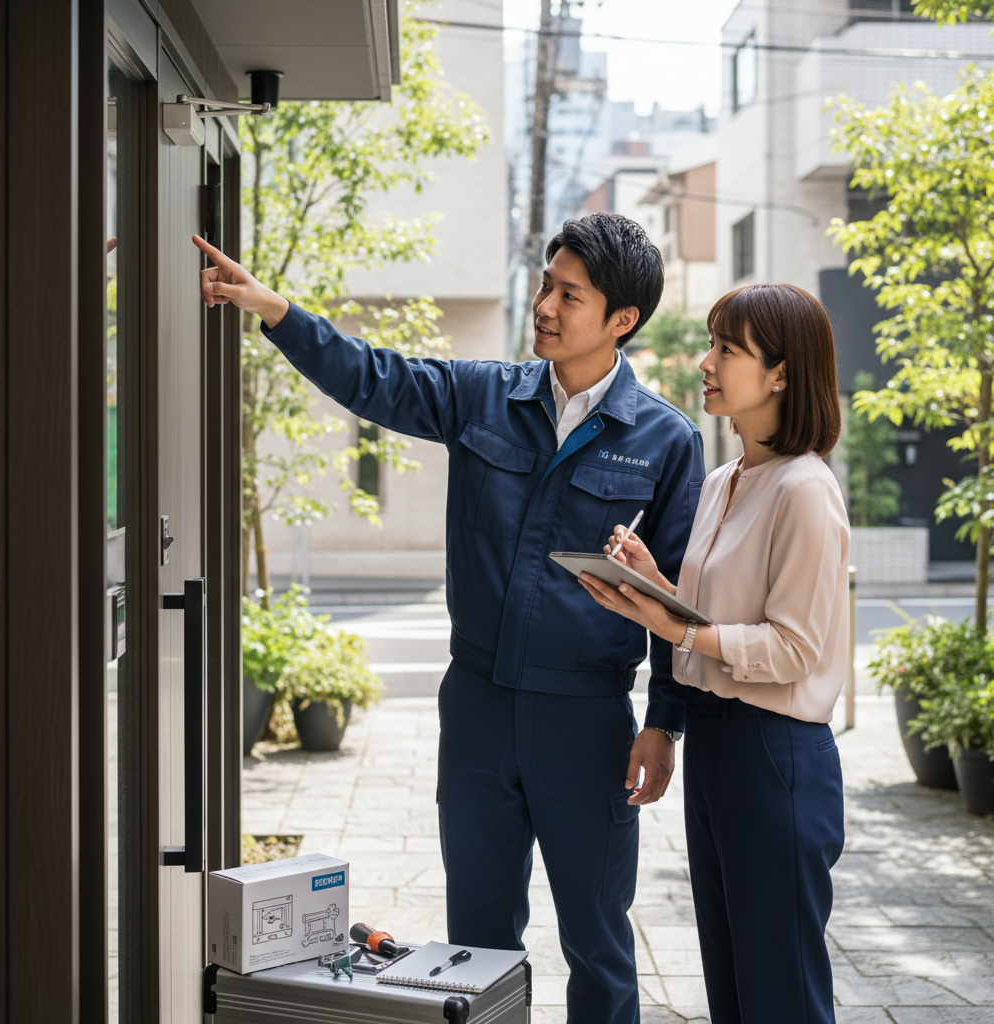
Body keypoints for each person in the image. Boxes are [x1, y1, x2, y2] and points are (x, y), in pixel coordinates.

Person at [193, 213, 704, 1024]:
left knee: (598, 941)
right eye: (545, 283)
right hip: (477, 709)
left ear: (622, 321)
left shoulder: (667, 442)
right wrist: (276, 312)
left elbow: (679, 594)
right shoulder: (484, 397)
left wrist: (665, 725)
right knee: (477, 942)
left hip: (588, 720)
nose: (545, 305)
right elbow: (373, 376)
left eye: (570, 295)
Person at [579, 283, 848, 1024]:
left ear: (782, 373)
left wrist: (676, 631)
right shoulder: (725, 481)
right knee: (733, 991)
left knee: (782, 995)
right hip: (720, 753)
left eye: (728, 349)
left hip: (778, 758)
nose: (706, 362)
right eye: (712, 343)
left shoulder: (805, 490)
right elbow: (717, 612)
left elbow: (795, 649)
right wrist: (653, 581)